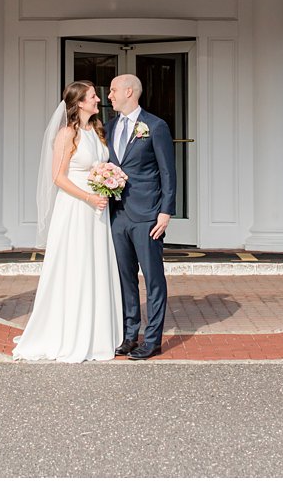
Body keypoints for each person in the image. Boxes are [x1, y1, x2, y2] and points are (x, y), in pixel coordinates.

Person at [11, 81, 123, 362]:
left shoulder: (96, 131)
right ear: (80, 103)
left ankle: (97, 333)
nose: (98, 100)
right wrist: (88, 196)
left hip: (97, 209)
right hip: (75, 208)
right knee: (75, 266)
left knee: (95, 265)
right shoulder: (66, 134)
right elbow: (58, 177)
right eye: (93, 96)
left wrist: (109, 181)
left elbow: (100, 164)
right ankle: (69, 332)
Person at [106, 74, 176, 360]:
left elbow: (168, 172)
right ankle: (129, 335)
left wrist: (166, 211)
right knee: (124, 278)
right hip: (117, 215)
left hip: (147, 215)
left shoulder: (155, 126)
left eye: (112, 90)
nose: (109, 96)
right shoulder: (109, 127)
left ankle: (153, 339)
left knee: (153, 279)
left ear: (129, 91)